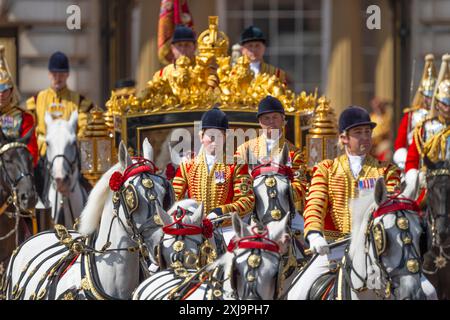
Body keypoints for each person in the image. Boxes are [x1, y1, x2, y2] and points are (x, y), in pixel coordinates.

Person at [295, 106, 408, 299]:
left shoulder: (387, 171)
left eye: (367, 132)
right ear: (344, 138)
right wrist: (314, 234)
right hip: (334, 247)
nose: (365, 137)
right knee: (297, 293)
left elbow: (391, 207)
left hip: (373, 250)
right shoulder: (326, 169)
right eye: (358, 133)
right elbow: (315, 203)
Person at [171, 106, 255, 245]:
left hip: (227, 229)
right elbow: (174, 198)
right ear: (201, 136)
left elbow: (246, 200)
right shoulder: (188, 164)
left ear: (226, 136)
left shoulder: (236, 164)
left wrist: (220, 212)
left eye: (220, 136)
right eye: (211, 136)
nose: (215, 141)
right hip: (193, 228)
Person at [235, 95, 308, 214]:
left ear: (283, 120)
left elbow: (300, 186)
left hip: (285, 210)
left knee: (303, 231)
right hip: (252, 209)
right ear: (259, 122)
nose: (271, 122)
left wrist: (280, 193)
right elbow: (238, 182)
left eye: (275, 117)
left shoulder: (294, 153)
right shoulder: (244, 149)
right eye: (266, 118)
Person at [26, 51, 94, 157]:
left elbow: (84, 129)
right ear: (49, 74)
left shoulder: (80, 102)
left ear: (67, 75)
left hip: (69, 156)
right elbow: (29, 130)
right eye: (54, 74)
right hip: (42, 157)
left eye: (61, 74)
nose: (58, 78)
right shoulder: (35, 101)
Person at [404, 53, 450, 201]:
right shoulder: (425, 127)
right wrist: (416, 177)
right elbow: (412, 159)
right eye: (444, 103)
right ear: (437, 103)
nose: (447, 108)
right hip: (429, 182)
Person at [393, 54, 437, 170]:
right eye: (427, 96)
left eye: (432, 96)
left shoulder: (440, 117)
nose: (429, 100)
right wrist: (403, 158)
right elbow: (400, 142)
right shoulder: (411, 115)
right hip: (412, 160)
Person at [0, 45, 38, 165]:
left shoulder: (24, 117)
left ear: (11, 91)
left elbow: (32, 151)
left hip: (15, 172)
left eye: (5, 90)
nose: (1, 94)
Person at [369, 97, 393, 161]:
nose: (376, 107)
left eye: (378, 105)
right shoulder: (371, 116)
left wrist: (376, 135)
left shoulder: (386, 117)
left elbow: (386, 130)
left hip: (382, 142)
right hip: (372, 143)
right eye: (375, 105)